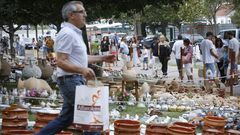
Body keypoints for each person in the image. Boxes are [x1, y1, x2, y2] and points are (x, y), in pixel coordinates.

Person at [35, 1, 115, 135]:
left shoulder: (73, 33)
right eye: (82, 12)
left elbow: (81, 58)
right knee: (91, 119)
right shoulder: (67, 33)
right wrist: (82, 70)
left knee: (65, 119)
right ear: (71, 15)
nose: (85, 14)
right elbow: (61, 61)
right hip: (71, 80)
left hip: (73, 80)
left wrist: (103, 58)